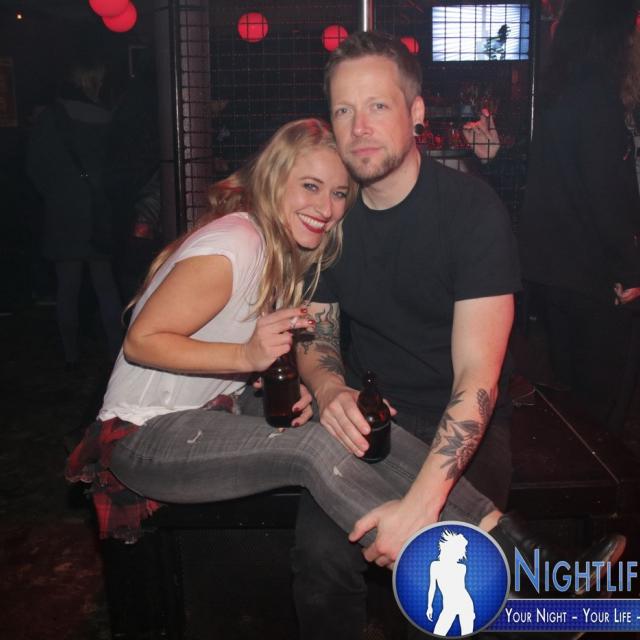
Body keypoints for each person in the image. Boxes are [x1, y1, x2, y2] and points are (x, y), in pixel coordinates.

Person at [290, 32, 625, 640]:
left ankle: (551, 609)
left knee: (432, 580)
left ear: (416, 113)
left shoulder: (472, 213)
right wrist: (329, 386)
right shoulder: (333, 215)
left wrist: (421, 508)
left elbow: (478, 378)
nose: (359, 127)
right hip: (372, 418)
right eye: (343, 110)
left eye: (378, 105)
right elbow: (316, 335)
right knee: (318, 561)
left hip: (462, 418)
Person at [65, 118, 505, 548]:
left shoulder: (280, 248)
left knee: (349, 419)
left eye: (338, 194)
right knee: (311, 446)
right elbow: (140, 341)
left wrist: (275, 379)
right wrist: (245, 358)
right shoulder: (238, 243)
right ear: (274, 180)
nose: (326, 208)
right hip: (143, 435)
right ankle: (419, 551)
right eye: (310, 186)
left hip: (212, 411)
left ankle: (498, 530)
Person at [518, 0, 640, 432]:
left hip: (553, 268)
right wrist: (630, 269)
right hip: (593, 273)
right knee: (604, 402)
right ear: (613, 36)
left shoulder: (560, 91)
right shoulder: (598, 96)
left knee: (573, 396)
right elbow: (604, 194)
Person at [26, 59, 122, 366]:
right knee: (105, 285)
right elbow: (119, 168)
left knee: (67, 286)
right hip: (98, 210)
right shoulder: (108, 118)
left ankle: (70, 355)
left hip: (63, 211)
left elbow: (34, 167)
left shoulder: (51, 118)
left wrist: (56, 194)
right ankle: (116, 352)